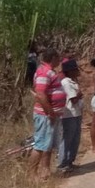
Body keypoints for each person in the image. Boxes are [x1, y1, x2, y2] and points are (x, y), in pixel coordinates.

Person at [28, 48, 64, 180]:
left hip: (52, 114)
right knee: (40, 144)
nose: (59, 60)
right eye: (58, 57)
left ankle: (45, 170)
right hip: (45, 115)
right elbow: (41, 94)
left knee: (48, 144)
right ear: (53, 57)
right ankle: (32, 174)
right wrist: (50, 112)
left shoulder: (50, 71)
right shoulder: (44, 72)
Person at [57, 59, 83, 173]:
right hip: (69, 114)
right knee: (68, 138)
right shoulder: (66, 83)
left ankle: (70, 161)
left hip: (76, 113)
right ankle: (63, 163)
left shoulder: (73, 81)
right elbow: (73, 99)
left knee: (75, 138)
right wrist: (79, 94)